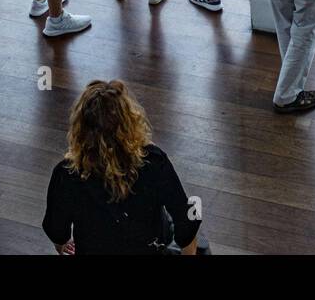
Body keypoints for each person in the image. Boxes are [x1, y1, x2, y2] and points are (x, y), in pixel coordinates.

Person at [42, 80, 201, 255]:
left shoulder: (66, 174)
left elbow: (57, 232)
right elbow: (186, 228)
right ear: (130, 121)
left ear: (80, 128)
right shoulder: (154, 161)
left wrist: (65, 246)